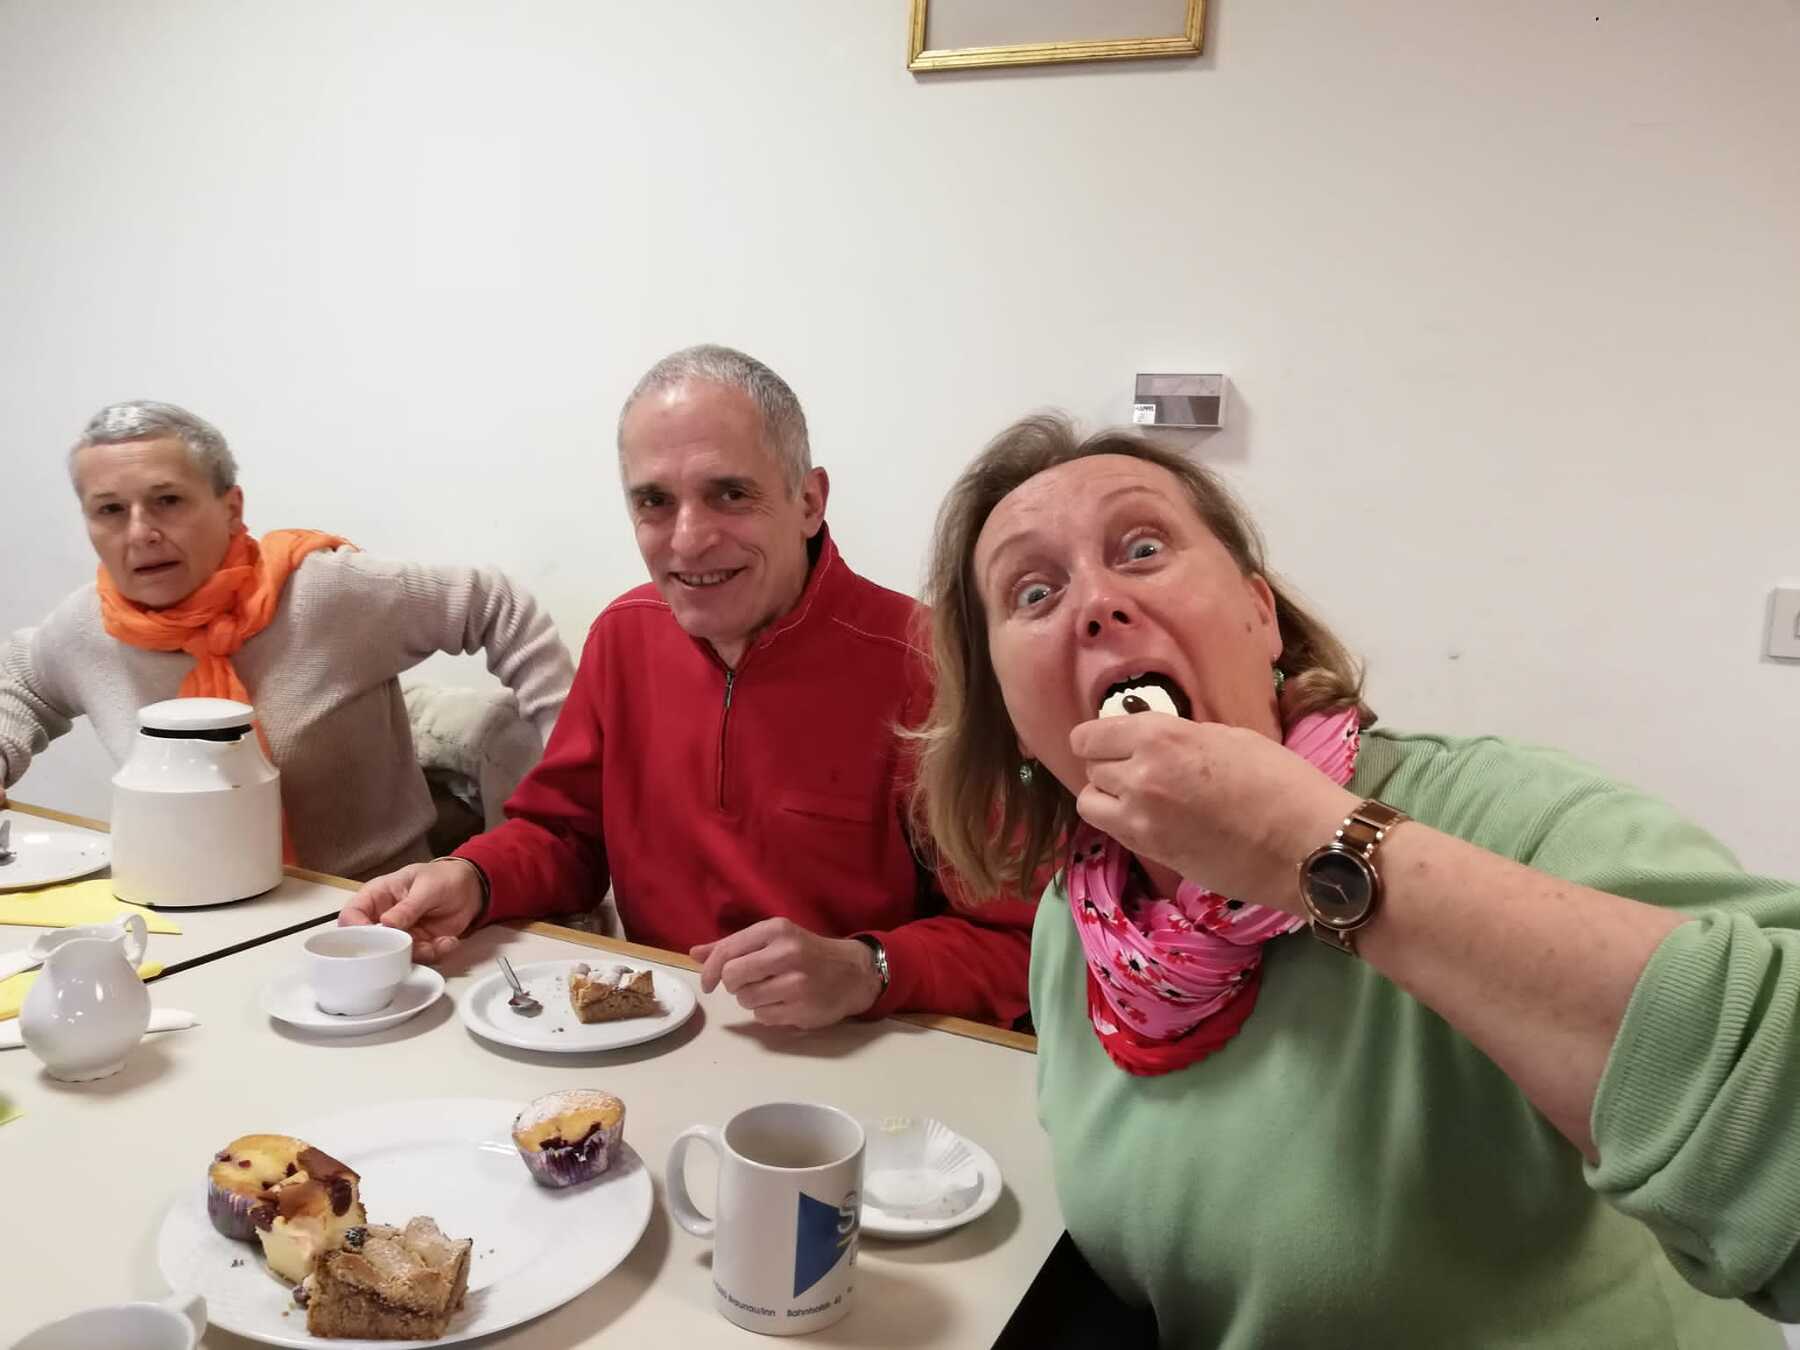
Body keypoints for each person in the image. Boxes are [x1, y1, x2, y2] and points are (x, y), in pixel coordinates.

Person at [911, 412, 1800, 1348]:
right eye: (1034, 592)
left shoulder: (1500, 816)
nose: (1096, 603)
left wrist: (1309, 847)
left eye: (1142, 548)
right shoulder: (1079, 921)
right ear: (1013, 717)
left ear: (1261, 616)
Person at [341, 346, 1033, 1029]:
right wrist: (473, 878)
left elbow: (1022, 943)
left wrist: (867, 969)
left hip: (863, 1049)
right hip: (652, 1034)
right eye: (655, 502)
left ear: (808, 501)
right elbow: (567, 836)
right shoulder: (623, 636)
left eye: (730, 494)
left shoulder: (930, 664)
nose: (689, 540)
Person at [0, 401, 573, 880]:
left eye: (167, 501)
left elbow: (493, 602)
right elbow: (23, 681)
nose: (140, 532)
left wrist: (573, 759)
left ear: (231, 509)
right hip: (184, 903)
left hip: (374, 911)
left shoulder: (323, 592)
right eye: (109, 510)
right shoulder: (88, 626)